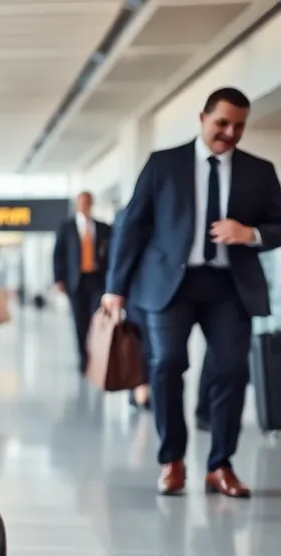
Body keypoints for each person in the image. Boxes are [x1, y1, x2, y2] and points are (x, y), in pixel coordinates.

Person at [103, 87, 281, 497]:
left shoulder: (260, 170)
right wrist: (115, 288)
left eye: (239, 126)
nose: (230, 133)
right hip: (171, 284)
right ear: (202, 118)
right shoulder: (164, 164)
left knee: (232, 371)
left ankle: (220, 466)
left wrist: (250, 233)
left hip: (229, 286)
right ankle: (172, 460)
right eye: (222, 123)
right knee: (166, 364)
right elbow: (133, 226)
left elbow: (278, 225)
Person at [53, 191, 112, 374]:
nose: (85, 205)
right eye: (81, 202)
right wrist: (59, 279)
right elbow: (58, 255)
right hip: (75, 281)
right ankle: (83, 357)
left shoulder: (103, 228)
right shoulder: (67, 227)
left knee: (96, 319)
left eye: (88, 202)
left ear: (91, 204)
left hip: (96, 280)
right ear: (77, 204)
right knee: (80, 322)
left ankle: (96, 356)